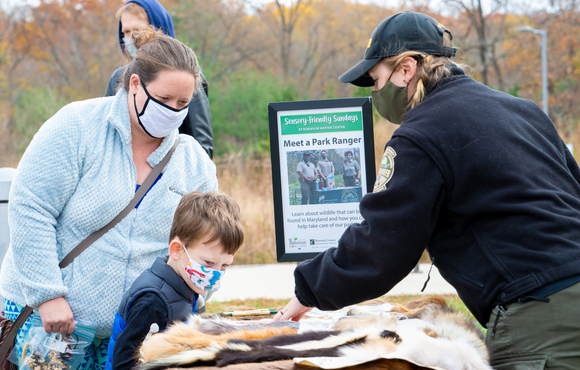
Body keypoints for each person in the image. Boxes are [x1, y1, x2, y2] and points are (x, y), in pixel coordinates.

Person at [274, 11, 580, 369]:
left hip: (541, 314)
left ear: (406, 69)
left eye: (376, 80)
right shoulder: (524, 111)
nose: (376, 92)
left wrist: (306, 291)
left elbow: (383, 244)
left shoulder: (420, 134)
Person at [0, 28, 218, 369]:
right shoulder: (76, 127)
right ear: (134, 84)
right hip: (50, 322)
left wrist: (192, 297)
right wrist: (47, 295)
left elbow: (206, 243)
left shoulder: (193, 163)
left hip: (130, 334)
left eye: (183, 103)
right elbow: (31, 209)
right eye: (163, 99)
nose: (173, 111)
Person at [106, 191, 244, 370]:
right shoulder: (152, 302)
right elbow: (124, 363)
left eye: (224, 266)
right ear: (177, 250)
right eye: (208, 263)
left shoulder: (184, 284)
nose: (215, 274)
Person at [105, 0, 214, 159]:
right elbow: (107, 134)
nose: (131, 38)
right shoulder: (117, 78)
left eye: (137, 30)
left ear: (158, 29)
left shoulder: (187, 77)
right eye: (126, 32)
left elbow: (202, 145)